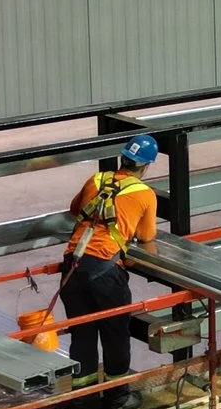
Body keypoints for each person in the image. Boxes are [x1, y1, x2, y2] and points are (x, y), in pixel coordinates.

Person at [58, 135, 160, 380]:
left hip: (72, 267)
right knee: (115, 337)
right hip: (105, 272)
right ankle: (117, 400)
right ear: (145, 166)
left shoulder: (96, 179)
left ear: (122, 158)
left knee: (82, 337)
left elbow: (75, 209)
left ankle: (83, 403)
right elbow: (146, 236)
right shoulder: (145, 194)